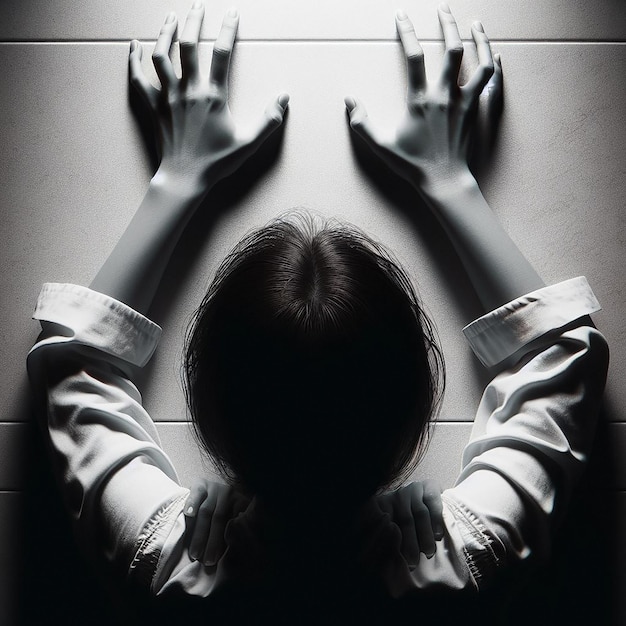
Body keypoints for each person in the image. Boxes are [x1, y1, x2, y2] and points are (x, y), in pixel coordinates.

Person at [26, 2, 608, 622]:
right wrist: (449, 179)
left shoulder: (175, 569)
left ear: (207, 411)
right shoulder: (456, 564)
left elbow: (71, 361)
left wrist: (178, 177)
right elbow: (565, 351)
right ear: (415, 412)